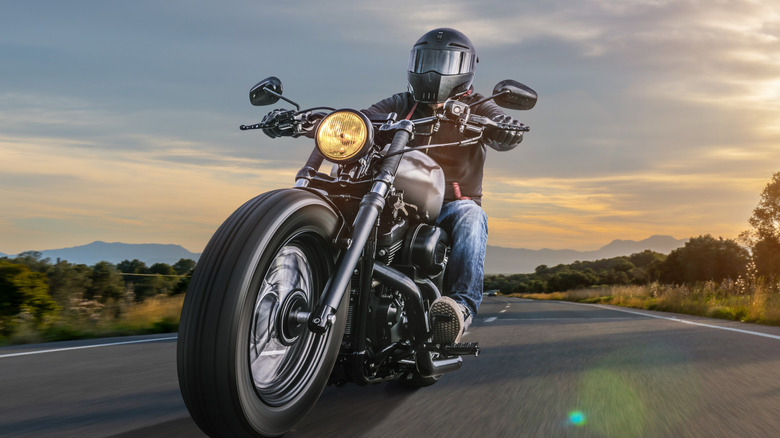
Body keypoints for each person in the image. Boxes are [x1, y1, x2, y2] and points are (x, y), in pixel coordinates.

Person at [361, 28, 526, 344]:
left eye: (445, 63)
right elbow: (365, 117)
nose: (434, 71)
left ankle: (460, 308)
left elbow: (498, 120)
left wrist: (506, 127)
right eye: (427, 61)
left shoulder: (478, 105)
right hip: (398, 201)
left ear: (465, 69)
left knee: (471, 216)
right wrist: (319, 121)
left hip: (450, 204)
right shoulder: (401, 103)